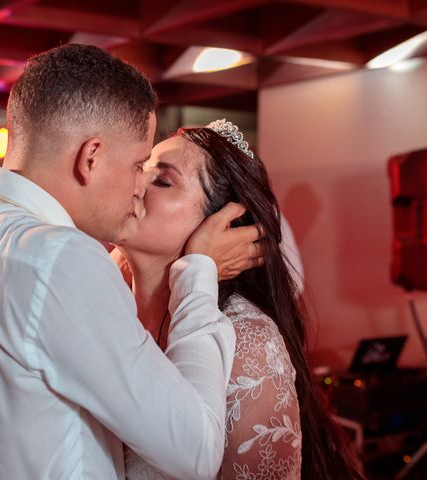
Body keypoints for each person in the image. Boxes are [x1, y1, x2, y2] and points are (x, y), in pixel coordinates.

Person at [0, 45, 265, 479]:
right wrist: (198, 270)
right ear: (90, 157)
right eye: (137, 165)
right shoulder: (59, 258)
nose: (138, 187)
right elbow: (195, 451)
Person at [115, 120, 362, 479]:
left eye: (163, 181)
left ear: (223, 226)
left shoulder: (248, 342)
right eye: (141, 169)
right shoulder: (104, 300)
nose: (134, 185)